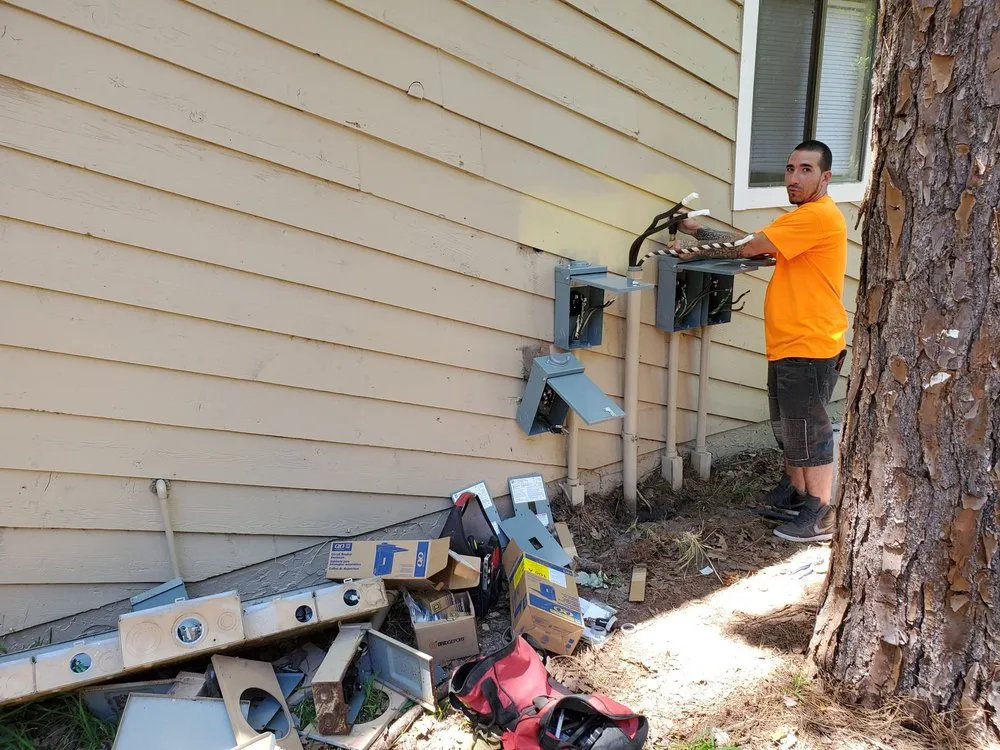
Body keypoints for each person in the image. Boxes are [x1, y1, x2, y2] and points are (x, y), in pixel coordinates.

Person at [670, 140, 848, 543]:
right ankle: (798, 496)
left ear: (825, 177)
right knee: (789, 428)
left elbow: (749, 247)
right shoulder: (800, 222)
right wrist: (701, 231)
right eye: (790, 169)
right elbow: (761, 248)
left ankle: (820, 514)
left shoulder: (816, 217)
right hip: (792, 342)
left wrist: (691, 251)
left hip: (809, 344)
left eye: (806, 169)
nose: (795, 178)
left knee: (808, 431)